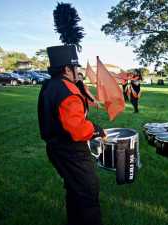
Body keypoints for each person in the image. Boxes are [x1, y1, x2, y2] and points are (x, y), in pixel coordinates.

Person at [38, 45, 106, 225]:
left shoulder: (50, 84)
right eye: (76, 67)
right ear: (67, 69)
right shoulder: (67, 91)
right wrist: (96, 129)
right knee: (87, 191)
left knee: (74, 188)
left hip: (55, 147)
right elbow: (77, 129)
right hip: (70, 150)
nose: (79, 70)